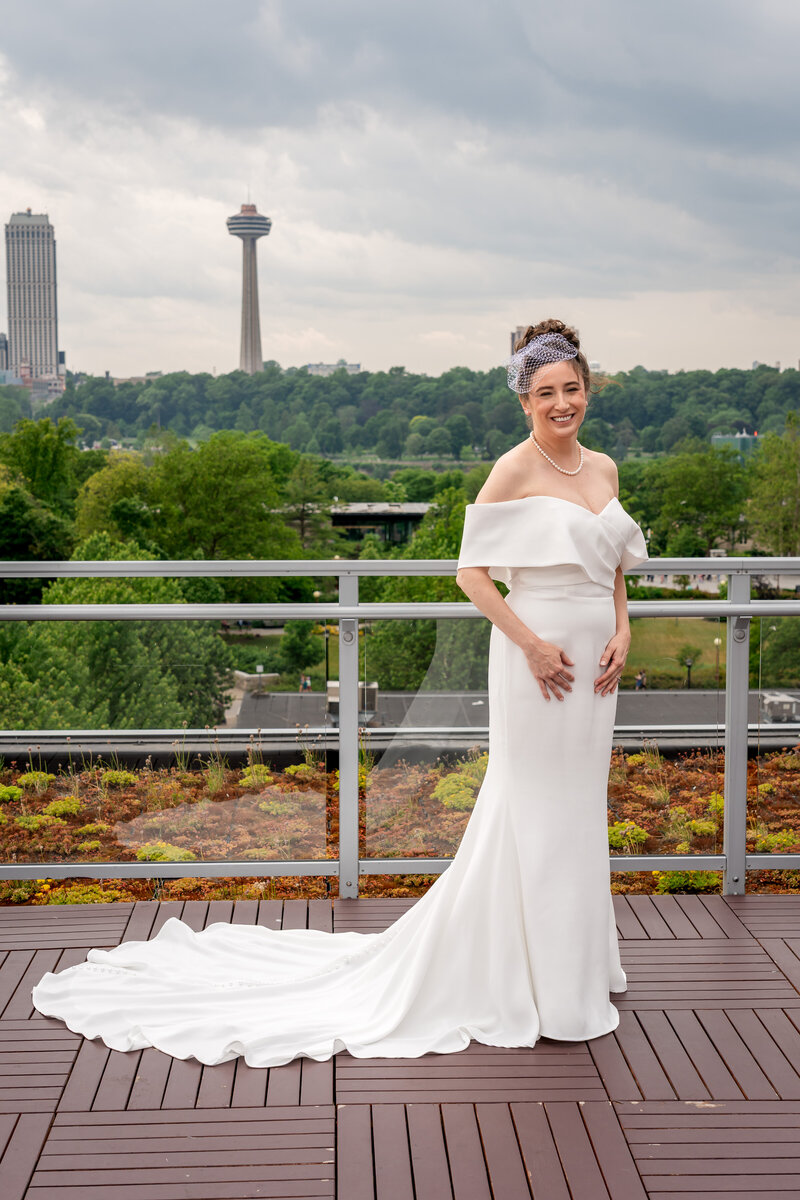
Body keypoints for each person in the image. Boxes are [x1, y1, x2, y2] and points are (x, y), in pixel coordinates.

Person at [30, 319, 648, 1067]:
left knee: (581, 808)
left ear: (589, 389)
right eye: (545, 393)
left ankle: (579, 968)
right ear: (524, 400)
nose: (562, 404)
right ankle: (542, 982)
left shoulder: (606, 468)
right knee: (537, 810)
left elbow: (615, 566)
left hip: (599, 666)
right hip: (537, 662)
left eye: (572, 389)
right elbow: (471, 573)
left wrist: (623, 629)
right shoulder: (513, 470)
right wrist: (532, 645)